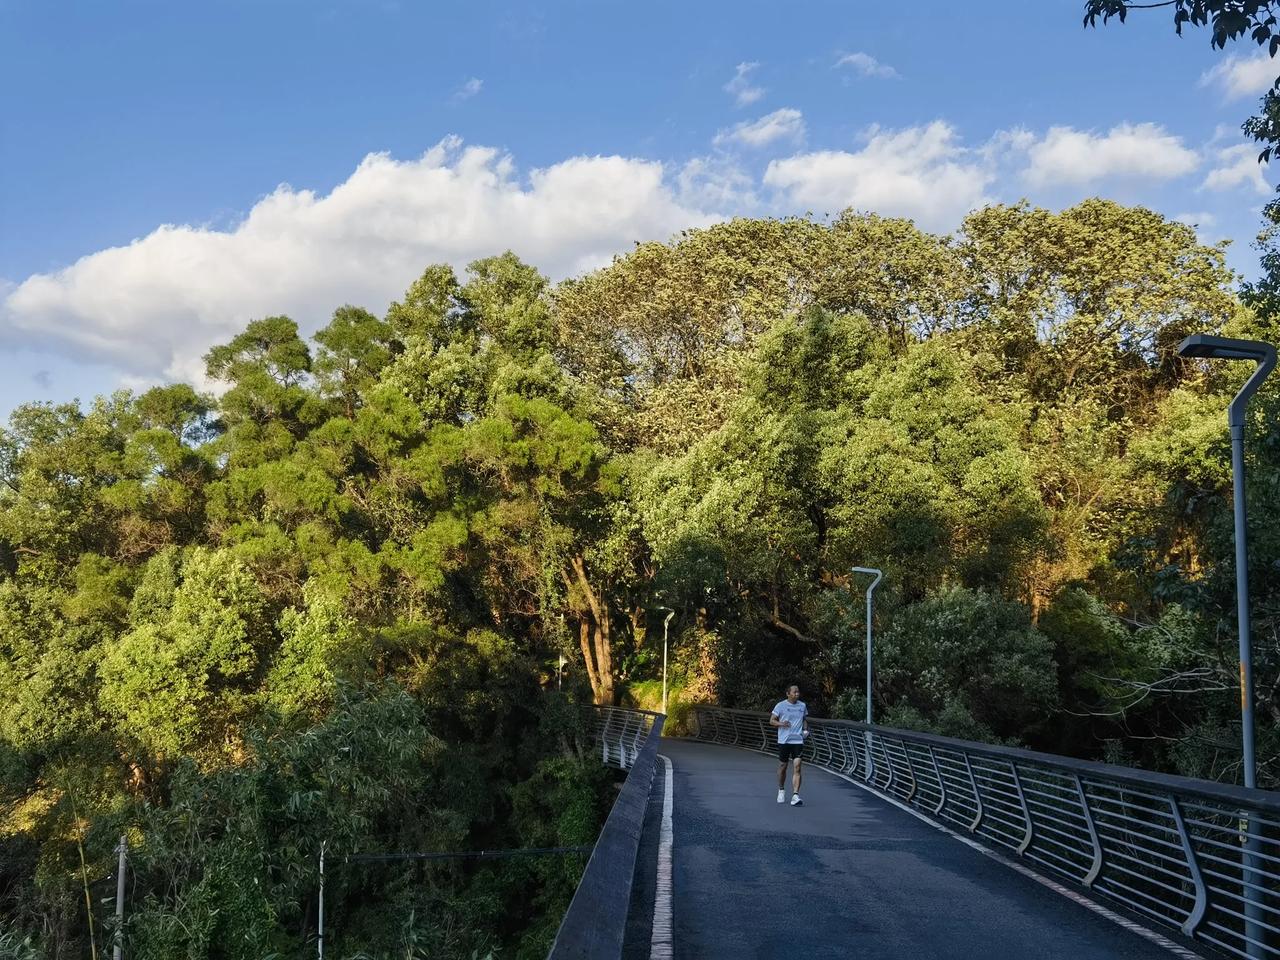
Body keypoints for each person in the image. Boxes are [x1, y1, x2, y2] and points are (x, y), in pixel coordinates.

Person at [770, 684, 809, 806]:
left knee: (797, 766)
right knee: (783, 766)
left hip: (797, 740)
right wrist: (781, 724)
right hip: (784, 741)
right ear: (788, 694)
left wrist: (805, 730)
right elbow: (771, 720)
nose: (797, 694)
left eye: (798, 692)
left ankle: (795, 795)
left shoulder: (802, 706)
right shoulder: (780, 705)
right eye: (794, 692)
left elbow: (804, 719)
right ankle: (781, 790)